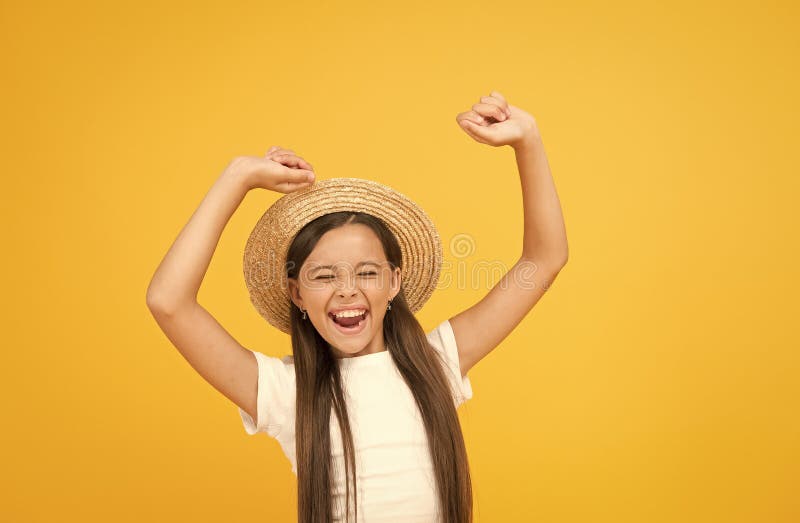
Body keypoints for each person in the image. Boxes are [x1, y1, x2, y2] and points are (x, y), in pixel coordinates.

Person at [146, 90, 568, 523]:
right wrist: (237, 177)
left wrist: (528, 140)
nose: (347, 290)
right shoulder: (285, 391)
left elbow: (544, 259)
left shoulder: (437, 362)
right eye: (325, 276)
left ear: (394, 283)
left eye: (367, 272)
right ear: (296, 294)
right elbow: (168, 301)